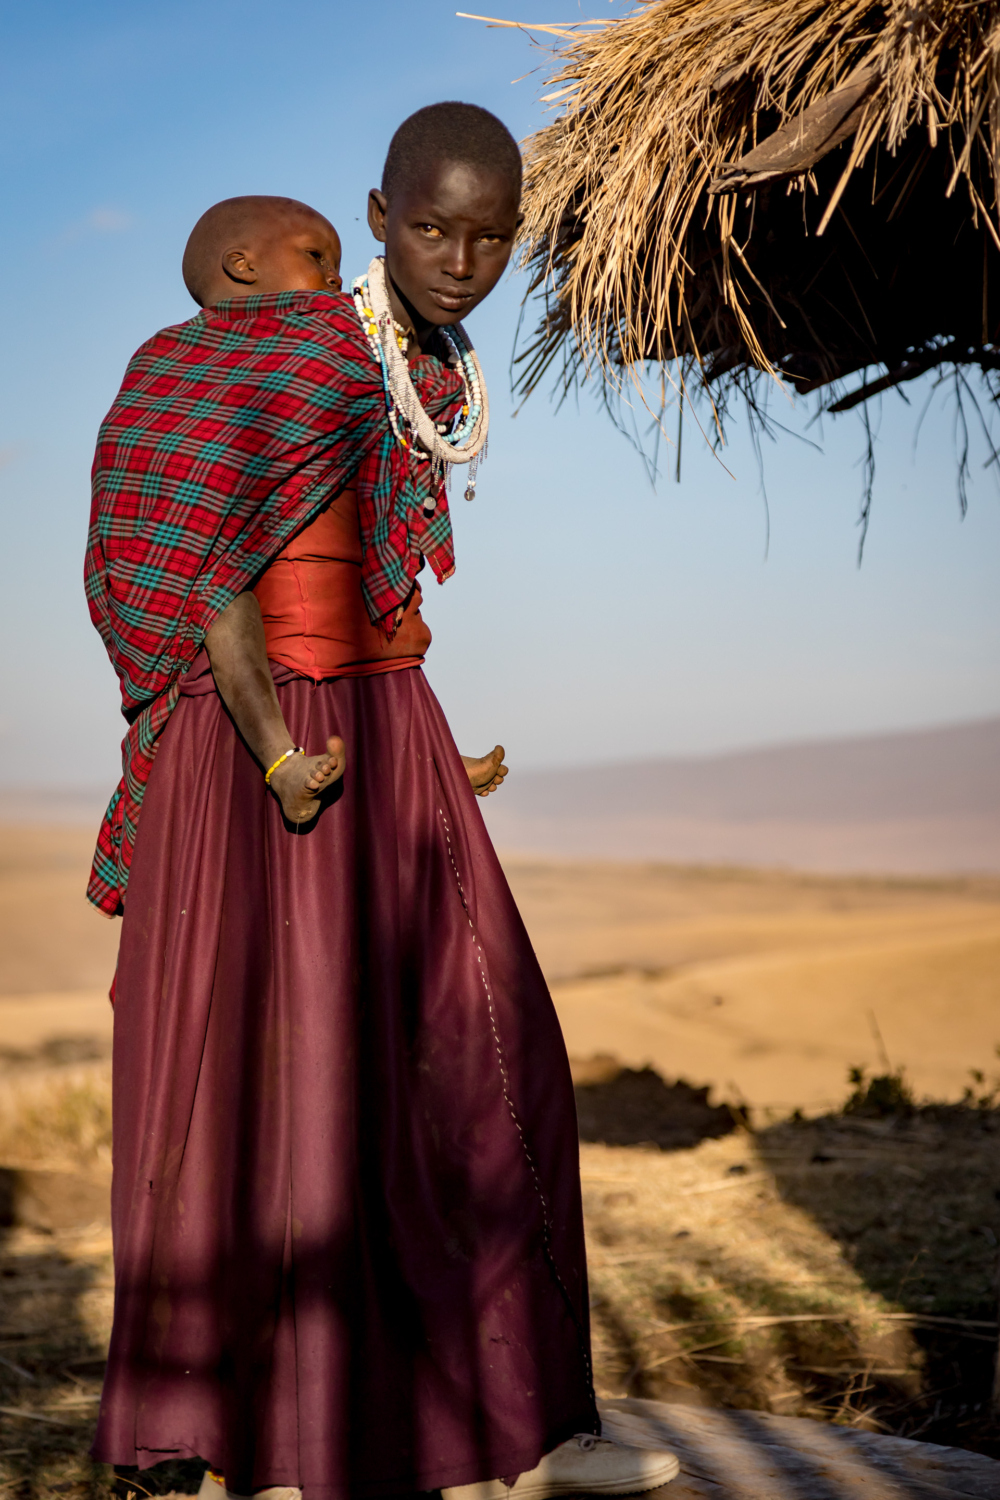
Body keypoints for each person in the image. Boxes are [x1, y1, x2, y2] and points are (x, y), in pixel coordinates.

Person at [87, 104, 678, 1500]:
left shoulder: (405, 364)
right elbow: (195, 568)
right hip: (261, 754)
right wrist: (287, 745)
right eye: (431, 227)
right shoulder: (257, 358)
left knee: (485, 1057)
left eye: (491, 235)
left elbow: (373, 592)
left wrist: (422, 744)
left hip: (379, 726)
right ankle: (266, 1441)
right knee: (271, 1084)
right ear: (376, 215)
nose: (463, 258)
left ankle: (518, 1426)